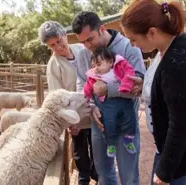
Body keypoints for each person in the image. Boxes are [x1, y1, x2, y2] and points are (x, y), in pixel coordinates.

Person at [120, 1, 186, 185]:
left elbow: (181, 126)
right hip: (173, 147)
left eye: (133, 39)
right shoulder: (177, 41)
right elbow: (169, 88)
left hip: (178, 155)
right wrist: (147, 85)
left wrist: (164, 172)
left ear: (152, 32)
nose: (133, 45)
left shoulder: (175, 63)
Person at [71, 11, 146, 185]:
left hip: (125, 123)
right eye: (82, 42)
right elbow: (82, 83)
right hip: (98, 124)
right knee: (103, 174)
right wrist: (91, 105)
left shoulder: (129, 47)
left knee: (129, 177)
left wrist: (108, 89)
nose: (87, 46)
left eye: (90, 39)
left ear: (102, 29)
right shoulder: (84, 53)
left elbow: (139, 85)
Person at [38, 20, 98, 185]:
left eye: (58, 41)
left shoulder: (81, 50)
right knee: (80, 151)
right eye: (52, 45)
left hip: (93, 110)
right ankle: (83, 179)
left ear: (65, 35)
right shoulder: (54, 65)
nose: (57, 47)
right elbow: (57, 96)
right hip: (75, 117)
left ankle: (97, 176)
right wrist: (70, 122)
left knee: (97, 149)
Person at [83, 47, 137, 157]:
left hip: (125, 99)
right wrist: (85, 99)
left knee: (130, 118)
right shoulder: (94, 76)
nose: (96, 68)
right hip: (107, 102)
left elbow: (129, 72)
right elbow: (87, 88)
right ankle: (111, 143)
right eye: (93, 66)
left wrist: (126, 85)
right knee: (108, 122)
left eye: (98, 64)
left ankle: (128, 139)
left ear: (110, 62)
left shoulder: (120, 65)